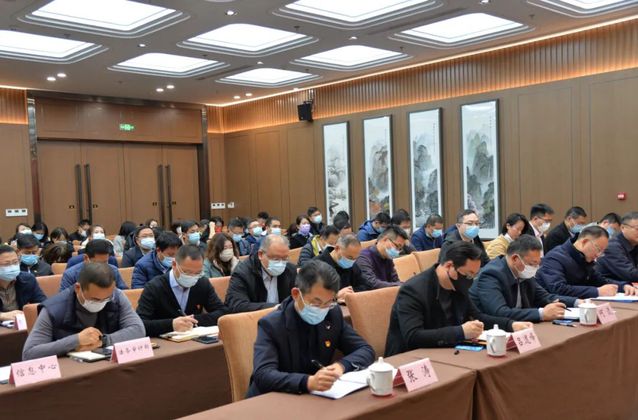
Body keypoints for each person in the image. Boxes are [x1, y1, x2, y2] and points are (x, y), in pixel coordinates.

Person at [247, 260, 374, 398]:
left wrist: (341, 366)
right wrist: (307, 382)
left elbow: (365, 349)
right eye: (316, 303)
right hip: (275, 398)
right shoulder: (271, 324)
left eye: (329, 303)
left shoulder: (332, 314)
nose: (322, 309)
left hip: (316, 396)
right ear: (296, 294)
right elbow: (263, 374)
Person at [385, 242, 533, 356]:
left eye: (474, 275)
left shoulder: (457, 285)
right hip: (411, 357)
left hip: (447, 350)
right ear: (449, 266)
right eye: (468, 274)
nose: (470, 279)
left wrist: (511, 324)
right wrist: (460, 332)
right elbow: (413, 336)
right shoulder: (413, 290)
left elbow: (478, 317)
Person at [22, 262, 145, 360]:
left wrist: (102, 341)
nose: (101, 302)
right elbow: (29, 353)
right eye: (95, 299)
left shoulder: (116, 296)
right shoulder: (53, 308)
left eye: (106, 299)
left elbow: (138, 329)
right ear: (78, 288)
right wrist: (76, 340)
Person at [470, 235, 579, 322]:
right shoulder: (491, 275)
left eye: (538, 264)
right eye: (532, 264)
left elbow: (546, 297)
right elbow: (499, 312)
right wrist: (541, 314)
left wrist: (578, 302)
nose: (535, 268)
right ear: (515, 259)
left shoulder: (523, 272)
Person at [136, 245, 228, 337]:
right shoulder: (154, 287)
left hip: (194, 338)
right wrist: (171, 324)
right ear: (174, 265)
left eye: (197, 273)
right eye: (187, 272)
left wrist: (193, 320)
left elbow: (222, 312)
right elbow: (140, 324)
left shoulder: (202, 283)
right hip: (164, 341)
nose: (192, 277)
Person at [536, 226, 636, 298]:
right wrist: (597, 292)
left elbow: (599, 280)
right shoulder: (555, 257)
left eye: (602, 252)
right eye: (598, 249)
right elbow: (558, 288)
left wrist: (622, 286)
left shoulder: (583, 257)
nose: (599, 255)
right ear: (584, 242)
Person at [225, 235, 296, 313]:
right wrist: (277, 307)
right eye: (276, 259)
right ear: (260, 255)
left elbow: (298, 298)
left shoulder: (290, 270)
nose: (280, 263)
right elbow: (237, 305)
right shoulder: (242, 272)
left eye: (285, 259)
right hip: (253, 318)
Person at [0, 245, 46, 321]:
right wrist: (2, 316)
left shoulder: (28, 279)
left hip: (19, 323)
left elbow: (43, 303)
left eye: (15, 262)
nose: (12, 267)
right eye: (6, 264)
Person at [60, 240, 128, 291]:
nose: (102, 266)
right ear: (86, 258)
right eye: (98, 263)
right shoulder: (70, 274)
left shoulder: (113, 270)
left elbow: (124, 292)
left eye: (105, 262)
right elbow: (64, 301)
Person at [314, 234, 366, 301]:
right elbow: (310, 295)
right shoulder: (315, 266)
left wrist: (350, 291)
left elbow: (365, 285)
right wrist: (335, 295)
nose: (352, 261)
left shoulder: (352, 264)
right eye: (349, 257)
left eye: (355, 258)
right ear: (337, 248)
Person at [595, 212, 638, 284]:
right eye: (637, 229)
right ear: (623, 228)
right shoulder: (612, 247)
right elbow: (630, 274)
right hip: (608, 287)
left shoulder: (635, 244)